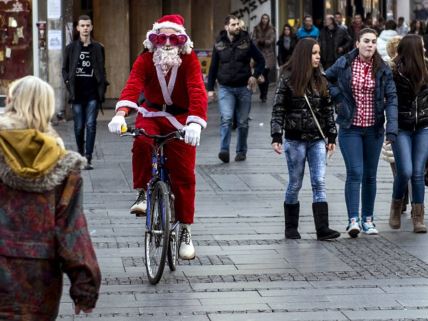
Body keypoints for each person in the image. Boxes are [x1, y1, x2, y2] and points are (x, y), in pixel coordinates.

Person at [107, 14, 207, 260]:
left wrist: (195, 123)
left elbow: (197, 89)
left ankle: (185, 229)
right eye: (163, 39)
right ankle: (142, 191)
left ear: (182, 40)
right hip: (151, 113)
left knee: (184, 173)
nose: (168, 44)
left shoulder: (189, 59)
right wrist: (120, 114)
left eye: (174, 39)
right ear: (155, 40)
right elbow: (133, 84)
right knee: (141, 141)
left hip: (181, 118)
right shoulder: (145, 58)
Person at [0, 76, 101, 319]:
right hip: (38, 281)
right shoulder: (62, 164)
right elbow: (72, 232)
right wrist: (85, 288)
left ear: (11, 101)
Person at [325, 28, 398, 237]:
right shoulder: (344, 63)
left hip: (374, 129)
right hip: (351, 128)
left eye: (373, 42)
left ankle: (368, 219)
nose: (370, 45)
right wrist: (338, 96)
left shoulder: (383, 68)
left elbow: (392, 97)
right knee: (355, 172)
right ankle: (353, 220)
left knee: (370, 175)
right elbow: (325, 79)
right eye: (366, 41)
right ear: (357, 43)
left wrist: (391, 127)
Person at [271, 38, 340, 241]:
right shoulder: (288, 78)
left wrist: (331, 135)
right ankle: (291, 227)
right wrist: (276, 135)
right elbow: (278, 108)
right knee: (295, 183)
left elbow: (328, 109)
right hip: (295, 140)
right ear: (304, 55)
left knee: (319, 181)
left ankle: (322, 229)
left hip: (317, 139)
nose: (318, 56)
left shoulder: (322, 79)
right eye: (314, 53)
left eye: (319, 53)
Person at [207, 15, 265, 163]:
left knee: (243, 121)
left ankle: (241, 151)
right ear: (227, 27)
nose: (237, 27)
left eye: (238, 24)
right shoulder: (219, 44)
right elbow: (213, 67)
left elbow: (261, 60)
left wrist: (255, 75)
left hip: (244, 87)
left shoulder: (247, 42)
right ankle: (224, 150)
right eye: (233, 25)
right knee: (226, 119)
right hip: (225, 87)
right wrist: (210, 89)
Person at [389, 35, 428, 233]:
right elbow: (387, 100)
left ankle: (418, 217)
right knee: (405, 171)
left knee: (418, 173)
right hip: (401, 127)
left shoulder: (426, 70)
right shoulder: (394, 72)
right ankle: (396, 206)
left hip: (423, 127)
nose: (425, 49)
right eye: (421, 46)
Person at [62, 15, 108, 170]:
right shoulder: (71, 48)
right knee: (79, 126)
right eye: (82, 25)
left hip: (93, 93)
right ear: (78, 28)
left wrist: (102, 86)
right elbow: (65, 69)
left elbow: (102, 69)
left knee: (91, 125)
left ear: (91, 27)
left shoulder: (98, 48)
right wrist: (68, 83)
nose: (85, 28)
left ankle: (88, 158)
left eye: (88, 25)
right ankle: (80, 154)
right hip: (77, 94)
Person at [252, 14, 276, 103]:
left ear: (268, 19)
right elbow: (253, 39)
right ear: (261, 19)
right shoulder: (256, 28)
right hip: (258, 54)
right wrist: (258, 41)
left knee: (265, 75)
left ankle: (264, 95)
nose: (264, 20)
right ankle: (262, 93)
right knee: (259, 75)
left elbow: (272, 40)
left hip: (268, 55)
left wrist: (264, 42)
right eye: (263, 18)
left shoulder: (271, 29)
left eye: (266, 18)